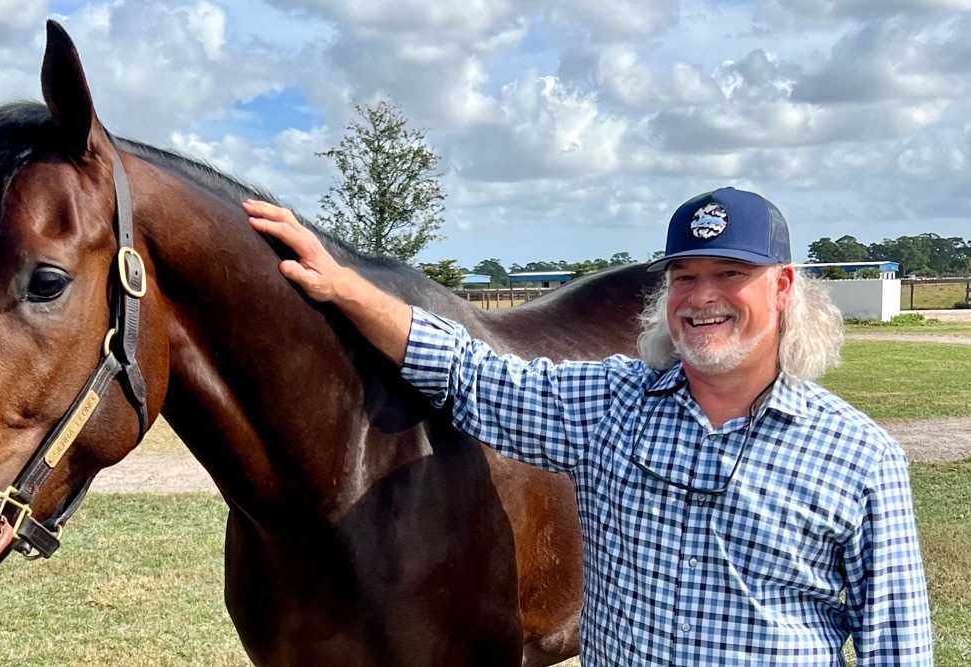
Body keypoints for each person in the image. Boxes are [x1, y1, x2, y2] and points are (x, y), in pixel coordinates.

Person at [242, 187, 932, 666]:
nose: (702, 297)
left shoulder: (857, 456)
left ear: (782, 288)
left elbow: (895, 644)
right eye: (684, 276)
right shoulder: (610, 404)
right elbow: (464, 371)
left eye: (730, 273)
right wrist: (340, 282)